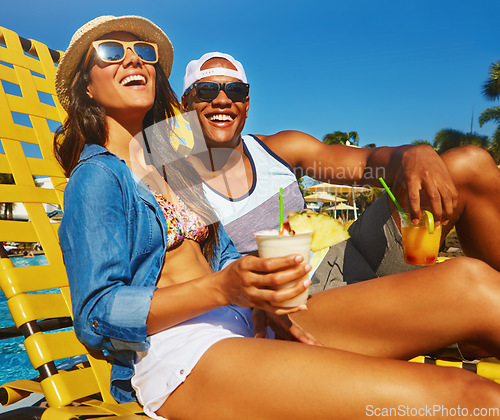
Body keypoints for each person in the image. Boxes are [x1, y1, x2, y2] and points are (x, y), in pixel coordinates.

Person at [54, 15, 500, 419]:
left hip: (256, 319)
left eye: (143, 52)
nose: (133, 58)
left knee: (471, 282)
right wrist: (222, 287)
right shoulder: (97, 178)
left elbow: (225, 254)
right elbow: (96, 315)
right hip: (185, 353)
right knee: (469, 398)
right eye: (111, 52)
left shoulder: (172, 167)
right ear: (87, 87)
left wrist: (252, 292)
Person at [181, 52, 500, 292]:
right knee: (469, 287)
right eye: (207, 90)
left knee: (468, 163)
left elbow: (367, 164)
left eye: (235, 92)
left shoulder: (281, 149)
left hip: (351, 258)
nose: (222, 100)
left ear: (246, 104)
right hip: (293, 299)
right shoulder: (173, 179)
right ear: (186, 104)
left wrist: (410, 155)